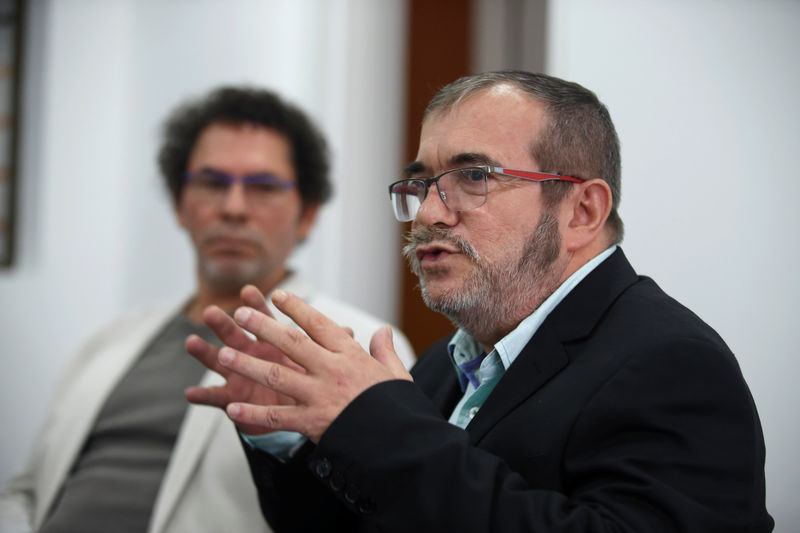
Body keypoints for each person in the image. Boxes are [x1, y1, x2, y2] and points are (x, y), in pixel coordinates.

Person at [185, 71, 773, 532]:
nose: (432, 213)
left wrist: (383, 427)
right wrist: (286, 429)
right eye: (421, 184)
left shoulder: (671, 363)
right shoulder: (447, 363)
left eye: (475, 178)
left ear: (582, 211)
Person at [0, 86, 415, 533]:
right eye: (212, 183)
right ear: (180, 204)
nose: (233, 208)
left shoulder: (358, 345)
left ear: (308, 213)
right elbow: (29, 490)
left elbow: (384, 509)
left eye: (263, 187)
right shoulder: (108, 342)